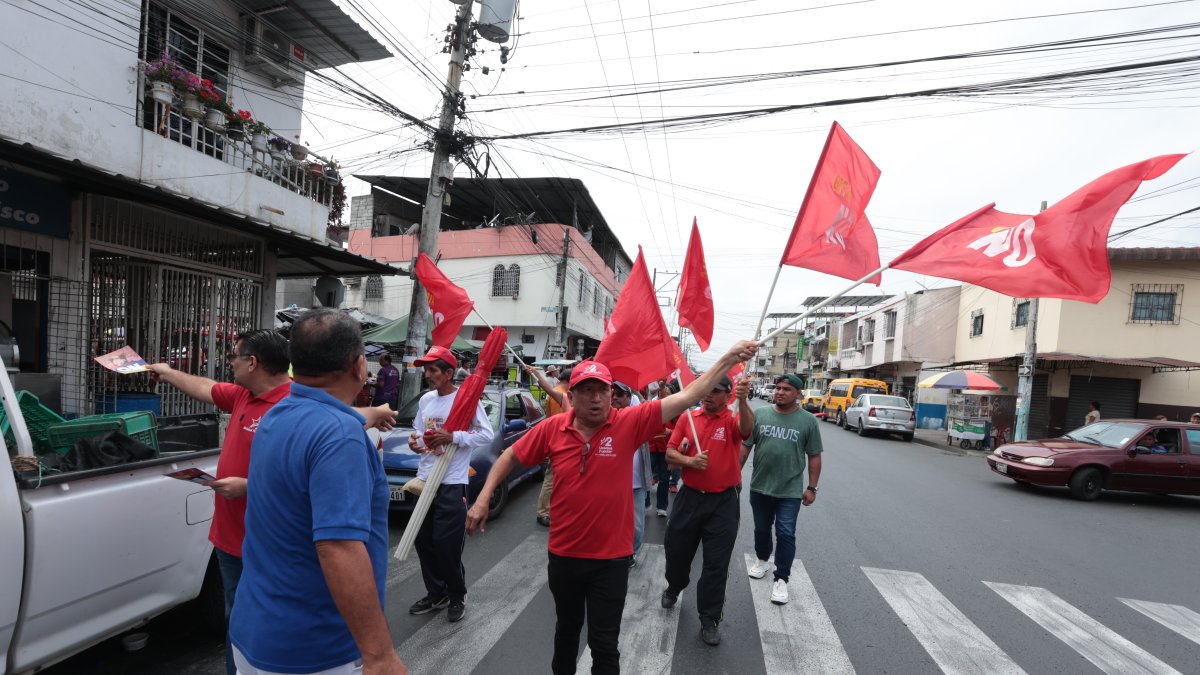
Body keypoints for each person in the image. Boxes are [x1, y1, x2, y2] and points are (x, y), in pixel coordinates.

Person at [466, 339, 758, 675]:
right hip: (564, 556)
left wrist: (727, 357)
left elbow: (688, 396)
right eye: (585, 390)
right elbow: (509, 456)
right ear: (570, 396)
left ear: (611, 394)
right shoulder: (552, 428)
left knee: (605, 643)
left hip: (611, 561)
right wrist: (484, 498)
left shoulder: (629, 422)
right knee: (566, 633)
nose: (595, 398)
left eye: (602, 391)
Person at [229, 310, 406, 675]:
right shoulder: (339, 437)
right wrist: (379, 656)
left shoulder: (277, 415)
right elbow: (338, 548)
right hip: (314, 649)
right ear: (359, 366)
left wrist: (364, 416)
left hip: (258, 630)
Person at [661, 375, 754, 646]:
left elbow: (747, 430)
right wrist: (689, 460)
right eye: (707, 390)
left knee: (716, 564)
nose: (709, 395)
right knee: (676, 550)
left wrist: (744, 399)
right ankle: (675, 584)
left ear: (727, 395)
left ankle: (709, 618)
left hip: (723, 502)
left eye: (716, 391)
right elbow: (669, 454)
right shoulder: (688, 418)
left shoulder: (732, 419)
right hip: (689, 498)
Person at [406, 345, 494, 623]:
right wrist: (416, 443)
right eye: (426, 369)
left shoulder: (466, 399)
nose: (428, 374)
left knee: (446, 544)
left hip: (452, 482)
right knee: (423, 541)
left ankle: (457, 594)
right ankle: (437, 593)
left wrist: (453, 437)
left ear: (449, 372)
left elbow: (485, 435)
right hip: (425, 480)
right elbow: (420, 433)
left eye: (433, 370)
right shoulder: (425, 400)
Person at [742, 373, 823, 607]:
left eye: (787, 389)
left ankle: (781, 579)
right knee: (761, 529)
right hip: (760, 486)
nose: (780, 392)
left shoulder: (808, 421)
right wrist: (733, 474)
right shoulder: (760, 415)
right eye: (778, 388)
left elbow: (814, 456)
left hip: (790, 490)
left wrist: (812, 487)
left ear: (798, 394)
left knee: (786, 532)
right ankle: (762, 559)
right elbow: (745, 447)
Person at [612, 381, 654, 562]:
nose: (615, 397)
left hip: (637, 482)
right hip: (613, 482)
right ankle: (614, 552)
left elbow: (652, 410)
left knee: (636, 524)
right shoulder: (607, 416)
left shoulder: (639, 416)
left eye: (620, 395)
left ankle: (631, 553)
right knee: (613, 522)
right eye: (613, 393)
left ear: (630, 398)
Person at [526, 364, 572, 527]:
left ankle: (552, 510)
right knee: (551, 478)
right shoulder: (562, 395)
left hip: (560, 442)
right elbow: (559, 421)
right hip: (560, 442)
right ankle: (543, 512)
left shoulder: (563, 394)